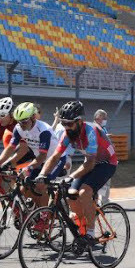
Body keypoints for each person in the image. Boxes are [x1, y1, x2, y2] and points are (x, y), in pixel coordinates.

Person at [38, 101, 116, 241]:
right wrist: (42, 174)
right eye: (63, 123)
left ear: (79, 121)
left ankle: (90, 233)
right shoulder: (68, 134)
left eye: (69, 124)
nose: (66, 127)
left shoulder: (91, 131)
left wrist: (71, 176)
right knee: (71, 194)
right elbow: (55, 156)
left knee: (84, 193)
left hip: (107, 163)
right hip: (91, 161)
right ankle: (82, 226)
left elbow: (91, 163)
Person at [0, 102, 55, 208]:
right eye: (19, 121)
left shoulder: (43, 130)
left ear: (33, 118)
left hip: (54, 160)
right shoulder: (18, 128)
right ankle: (37, 211)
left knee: (40, 186)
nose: (21, 125)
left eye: (24, 121)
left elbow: (42, 155)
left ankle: (44, 215)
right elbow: (10, 147)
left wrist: (28, 168)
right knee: (24, 188)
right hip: (40, 160)